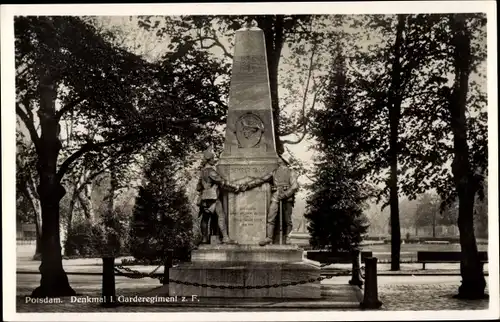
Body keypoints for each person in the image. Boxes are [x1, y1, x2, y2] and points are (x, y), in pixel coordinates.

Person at [240, 156, 299, 246]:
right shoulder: (274, 172)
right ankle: (269, 238)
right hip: (275, 196)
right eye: (278, 161)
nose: (278, 161)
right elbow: (262, 179)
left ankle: (288, 238)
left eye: (280, 160)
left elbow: (294, 186)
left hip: (287, 198)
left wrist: (285, 194)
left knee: (288, 220)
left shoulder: (291, 172)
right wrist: (248, 185)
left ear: (284, 162)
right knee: (271, 217)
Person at [196, 148, 238, 244]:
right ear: (209, 160)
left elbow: (198, 187)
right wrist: (235, 186)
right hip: (212, 197)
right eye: (212, 158)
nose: (213, 160)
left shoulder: (202, 172)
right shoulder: (211, 171)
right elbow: (222, 181)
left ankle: (204, 238)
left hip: (204, 199)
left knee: (205, 219)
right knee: (221, 216)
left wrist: (205, 186)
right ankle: (226, 238)